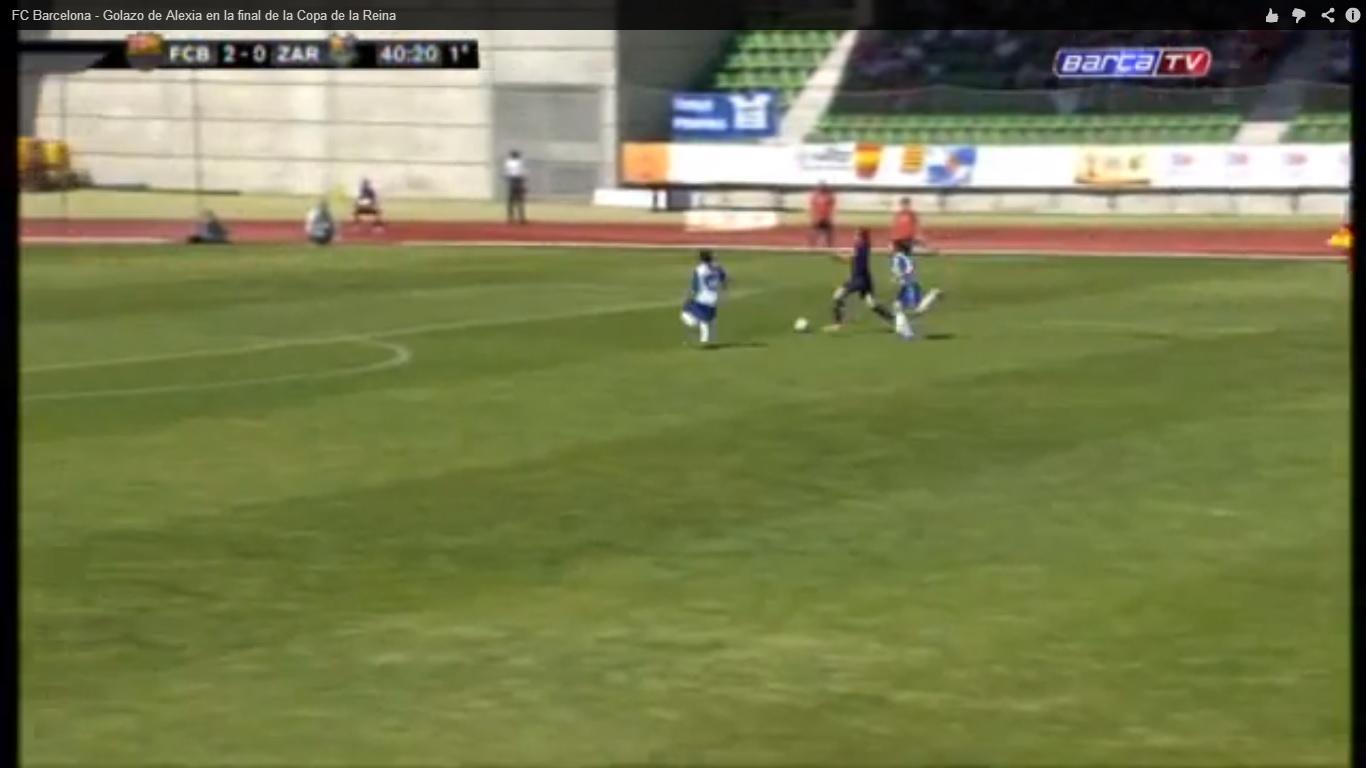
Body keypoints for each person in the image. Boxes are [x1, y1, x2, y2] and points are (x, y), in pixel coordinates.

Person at [826, 228, 896, 332]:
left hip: (859, 280)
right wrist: (839, 257)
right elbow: (852, 259)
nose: (855, 237)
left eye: (857, 235)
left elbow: (851, 259)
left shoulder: (861, 247)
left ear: (861, 237)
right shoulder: (863, 247)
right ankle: (895, 320)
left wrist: (837, 257)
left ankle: (837, 324)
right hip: (866, 279)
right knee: (871, 303)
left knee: (838, 295)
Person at [890, 242, 942, 341]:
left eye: (891, 245)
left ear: (897, 248)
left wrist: (900, 276)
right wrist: (898, 277)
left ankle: (933, 294)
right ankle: (905, 332)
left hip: (910, 285)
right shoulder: (898, 257)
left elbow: (910, 268)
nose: (889, 247)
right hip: (905, 286)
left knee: (916, 310)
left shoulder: (900, 257)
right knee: (897, 306)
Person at [680, 249, 727, 346]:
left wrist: (688, 296)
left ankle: (701, 332)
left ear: (700, 258)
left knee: (685, 311)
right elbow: (723, 277)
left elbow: (695, 287)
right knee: (709, 318)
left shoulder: (699, 269)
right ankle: (706, 338)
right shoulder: (717, 268)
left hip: (702, 298)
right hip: (714, 299)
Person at [808, 181, 836, 247]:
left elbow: (832, 207)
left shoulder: (829, 196)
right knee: (813, 233)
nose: (822, 188)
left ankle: (829, 247)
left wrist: (830, 217)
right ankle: (812, 247)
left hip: (826, 217)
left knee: (829, 234)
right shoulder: (815, 196)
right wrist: (814, 217)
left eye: (823, 187)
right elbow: (813, 207)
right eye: (821, 186)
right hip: (818, 217)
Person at [503, 149, 528, 224]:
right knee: (520, 200)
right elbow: (523, 173)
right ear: (517, 156)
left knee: (511, 201)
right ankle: (522, 219)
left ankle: (510, 218)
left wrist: (507, 179)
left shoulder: (508, 162)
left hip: (511, 181)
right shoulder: (520, 162)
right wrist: (524, 183)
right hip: (519, 180)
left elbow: (506, 173)